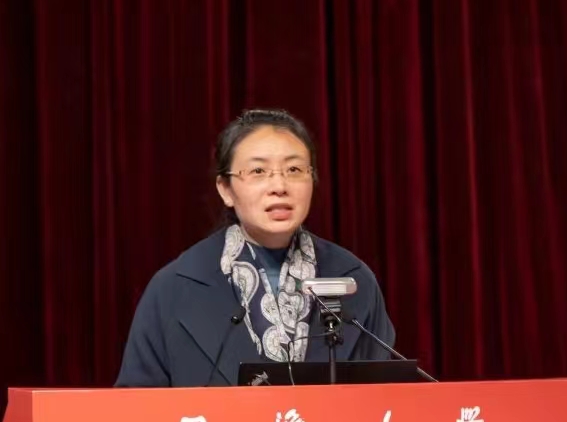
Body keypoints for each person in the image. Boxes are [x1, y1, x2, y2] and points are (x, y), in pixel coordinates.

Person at [115, 108, 395, 387]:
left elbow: (385, 398)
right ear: (225, 189)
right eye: (258, 171)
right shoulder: (173, 288)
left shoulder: (353, 279)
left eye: (294, 170)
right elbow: (136, 404)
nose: (279, 186)